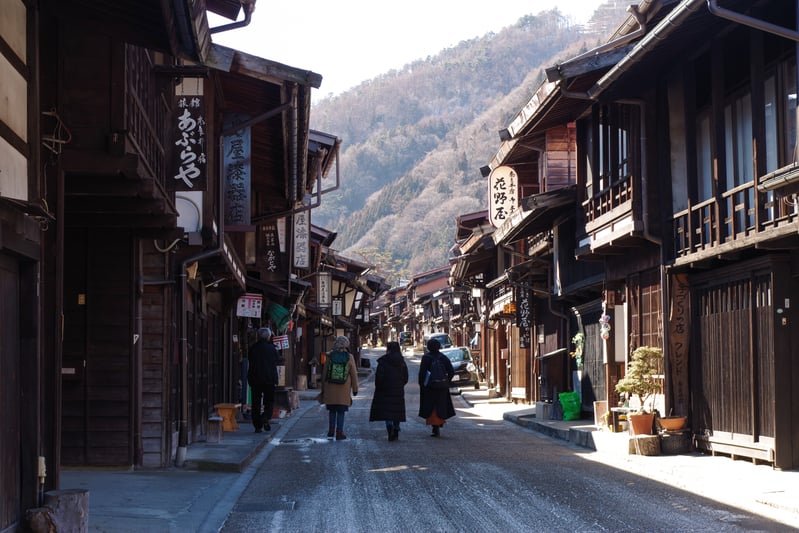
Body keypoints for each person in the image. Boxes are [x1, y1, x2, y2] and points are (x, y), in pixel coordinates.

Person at [320, 335, 359, 440]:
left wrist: (323, 387)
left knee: (332, 410)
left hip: (330, 387)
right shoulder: (349, 357)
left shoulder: (330, 355)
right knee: (341, 411)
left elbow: (324, 373)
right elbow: (354, 374)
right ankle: (339, 432)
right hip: (344, 388)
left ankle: (331, 430)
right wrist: (355, 389)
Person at [369, 341, 408, 441]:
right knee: (396, 410)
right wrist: (400, 384)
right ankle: (396, 427)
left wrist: (379, 387)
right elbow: (406, 377)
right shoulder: (401, 362)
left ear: (388, 349)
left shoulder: (383, 361)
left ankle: (389, 427)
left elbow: (379, 377)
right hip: (398, 390)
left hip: (385, 390)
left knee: (388, 411)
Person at [418, 338, 455, 437]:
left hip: (430, 386)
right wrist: (447, 381)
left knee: (432, 406)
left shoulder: (426, 358)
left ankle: (435, 427)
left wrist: (422, 384)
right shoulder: (443, 357)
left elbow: (422, 373)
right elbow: (451, 371)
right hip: (442, 386)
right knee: (441, 405)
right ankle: (439, 423)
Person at [247, 327, 279, 433]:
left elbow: (250, 360)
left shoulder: (253, 348)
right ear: (269, 336)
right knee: (269, 401)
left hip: (255, 378)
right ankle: (265, 417)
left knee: (256, 402)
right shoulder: (272, 348)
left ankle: (257, 426)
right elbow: (277, 360)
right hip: (269, 378)